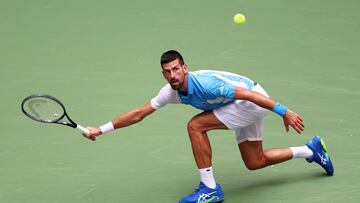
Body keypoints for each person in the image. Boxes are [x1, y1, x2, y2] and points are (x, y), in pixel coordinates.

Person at [83, 50, 334, 203]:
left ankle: (210, 188)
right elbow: (139, 114)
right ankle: (311, 151)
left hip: (251, 100)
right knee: (255, 162)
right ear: (163, 75)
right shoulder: (170, 92)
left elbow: (248, 95)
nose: (172, 75)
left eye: (175, 69)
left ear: (185, 68)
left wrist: (284, 111)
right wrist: (101, 129)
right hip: (241, 104)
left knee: (196, 125)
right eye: (167, 72)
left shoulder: (206, 84)